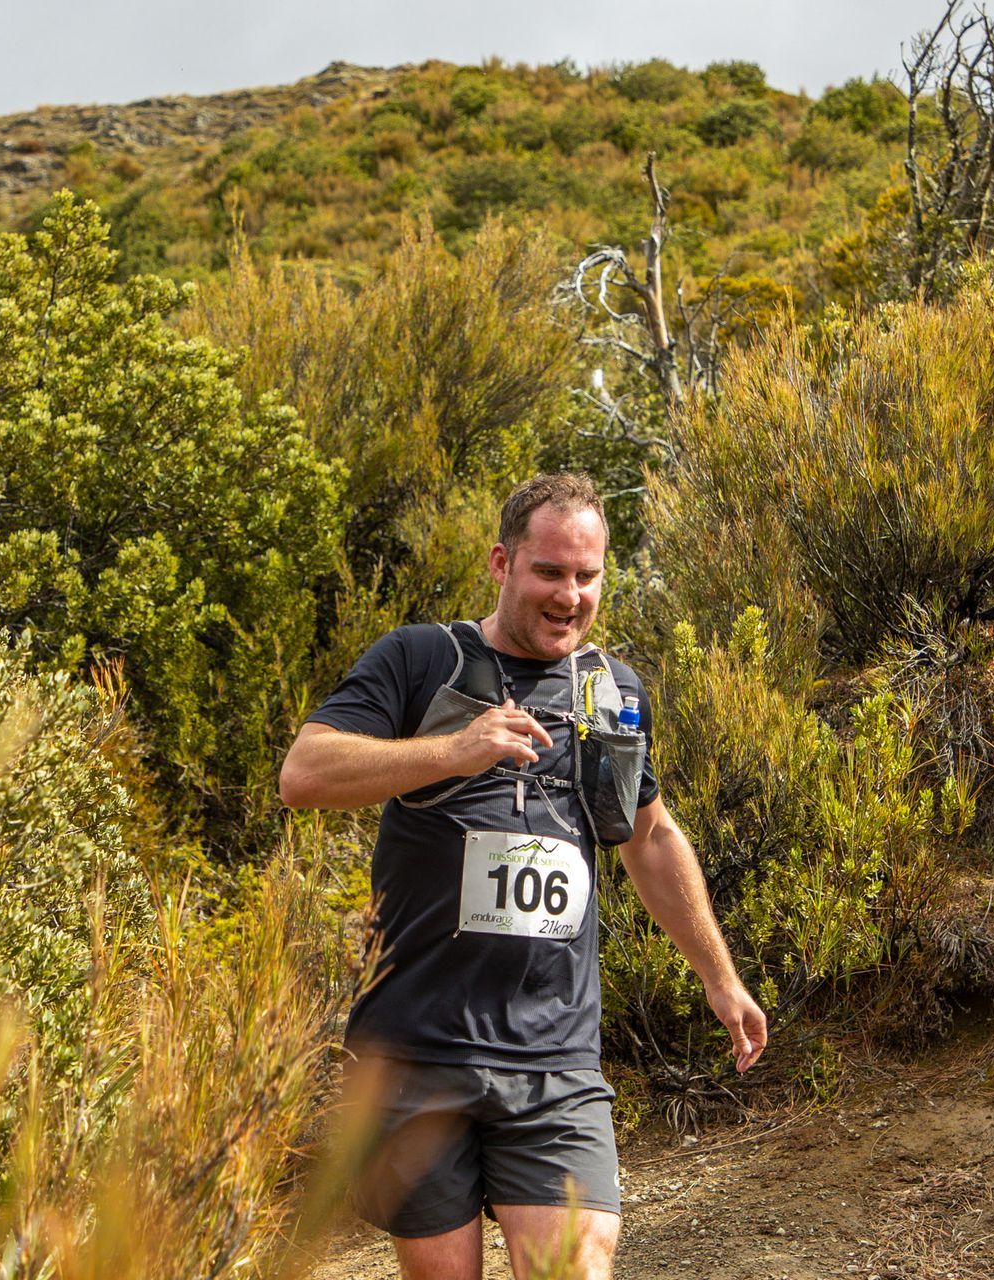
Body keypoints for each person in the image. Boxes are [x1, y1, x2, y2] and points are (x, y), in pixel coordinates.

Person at [278, 473, 767, 1280]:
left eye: (587, 576)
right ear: (503, 564)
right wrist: (453, 751)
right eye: (549, 571)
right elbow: (304, 774)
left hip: (555, 1060)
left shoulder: (612, 691)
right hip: (415, 1055)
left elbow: (649, 837)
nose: (569, 595)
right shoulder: (421, 657)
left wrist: (720, 977)